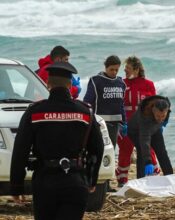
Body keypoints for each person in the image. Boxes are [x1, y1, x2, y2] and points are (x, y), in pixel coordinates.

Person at [10, 62, 104, 220]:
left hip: (45, 182)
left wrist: (16, 186)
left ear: (48, 84)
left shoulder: (34, 112)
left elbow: (20, 150)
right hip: (75, 182)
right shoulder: (86, 112)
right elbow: (97, 147)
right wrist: (91, 178)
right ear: (70, 85)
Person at [116, 56, 160, 186]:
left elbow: (155, 106)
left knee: (149, 150)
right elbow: (116, 104)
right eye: (125, 69)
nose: (125, 71)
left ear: (136, 69)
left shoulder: (148, 84)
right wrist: (119, 123)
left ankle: (153, 177)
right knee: (125, 151)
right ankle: (122, 180)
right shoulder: (121, 84)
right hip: (126, 124)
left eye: (128, 68)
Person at [83, 55, 126, 149]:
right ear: (106, 67)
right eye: (111, 69)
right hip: (99, 123)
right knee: (99, 149)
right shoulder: (96, 81)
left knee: (111, 149)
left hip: (114, 124)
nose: (114, 72)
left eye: (116, 70)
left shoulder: (121, 83)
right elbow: (87, 102)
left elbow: (121, 104)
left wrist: (124, 122)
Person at [127, 95, 173, 179]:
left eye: (163, 116)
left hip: (155, 129)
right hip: (136, 132)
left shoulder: (166, 105)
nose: (160, 119)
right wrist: (148, 161)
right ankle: (141, 180)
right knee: (142, 152)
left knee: (162, 152)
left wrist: (165, 120)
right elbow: (145, 141)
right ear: (153, 111)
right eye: (158, 116)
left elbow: (167, 112)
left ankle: (170, 177)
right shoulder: (145, 117)